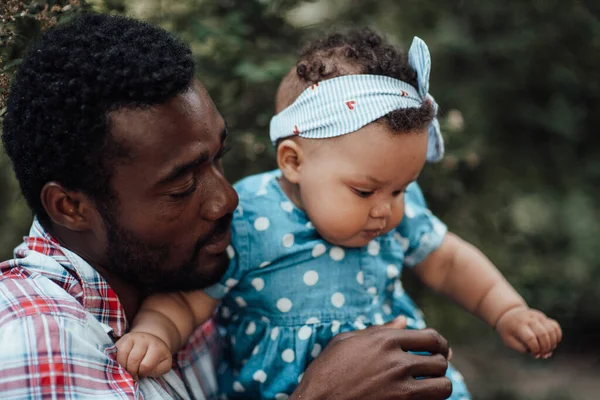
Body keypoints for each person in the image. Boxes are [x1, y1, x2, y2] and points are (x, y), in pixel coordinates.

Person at [0, 14, 455, 400]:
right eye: (181, 186)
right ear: (71, 207)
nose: (228, 198)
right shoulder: (35, 336)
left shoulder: (200, 282)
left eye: (219, 158)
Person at [115, 29, 563, 400]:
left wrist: (508, 311)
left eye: (401, 188)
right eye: (364, 190)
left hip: (406, 383)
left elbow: (448, 262)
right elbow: (187, 301)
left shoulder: (396, 214)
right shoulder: (252, 219)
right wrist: (157, 334)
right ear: (293, 161)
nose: (386, 208)